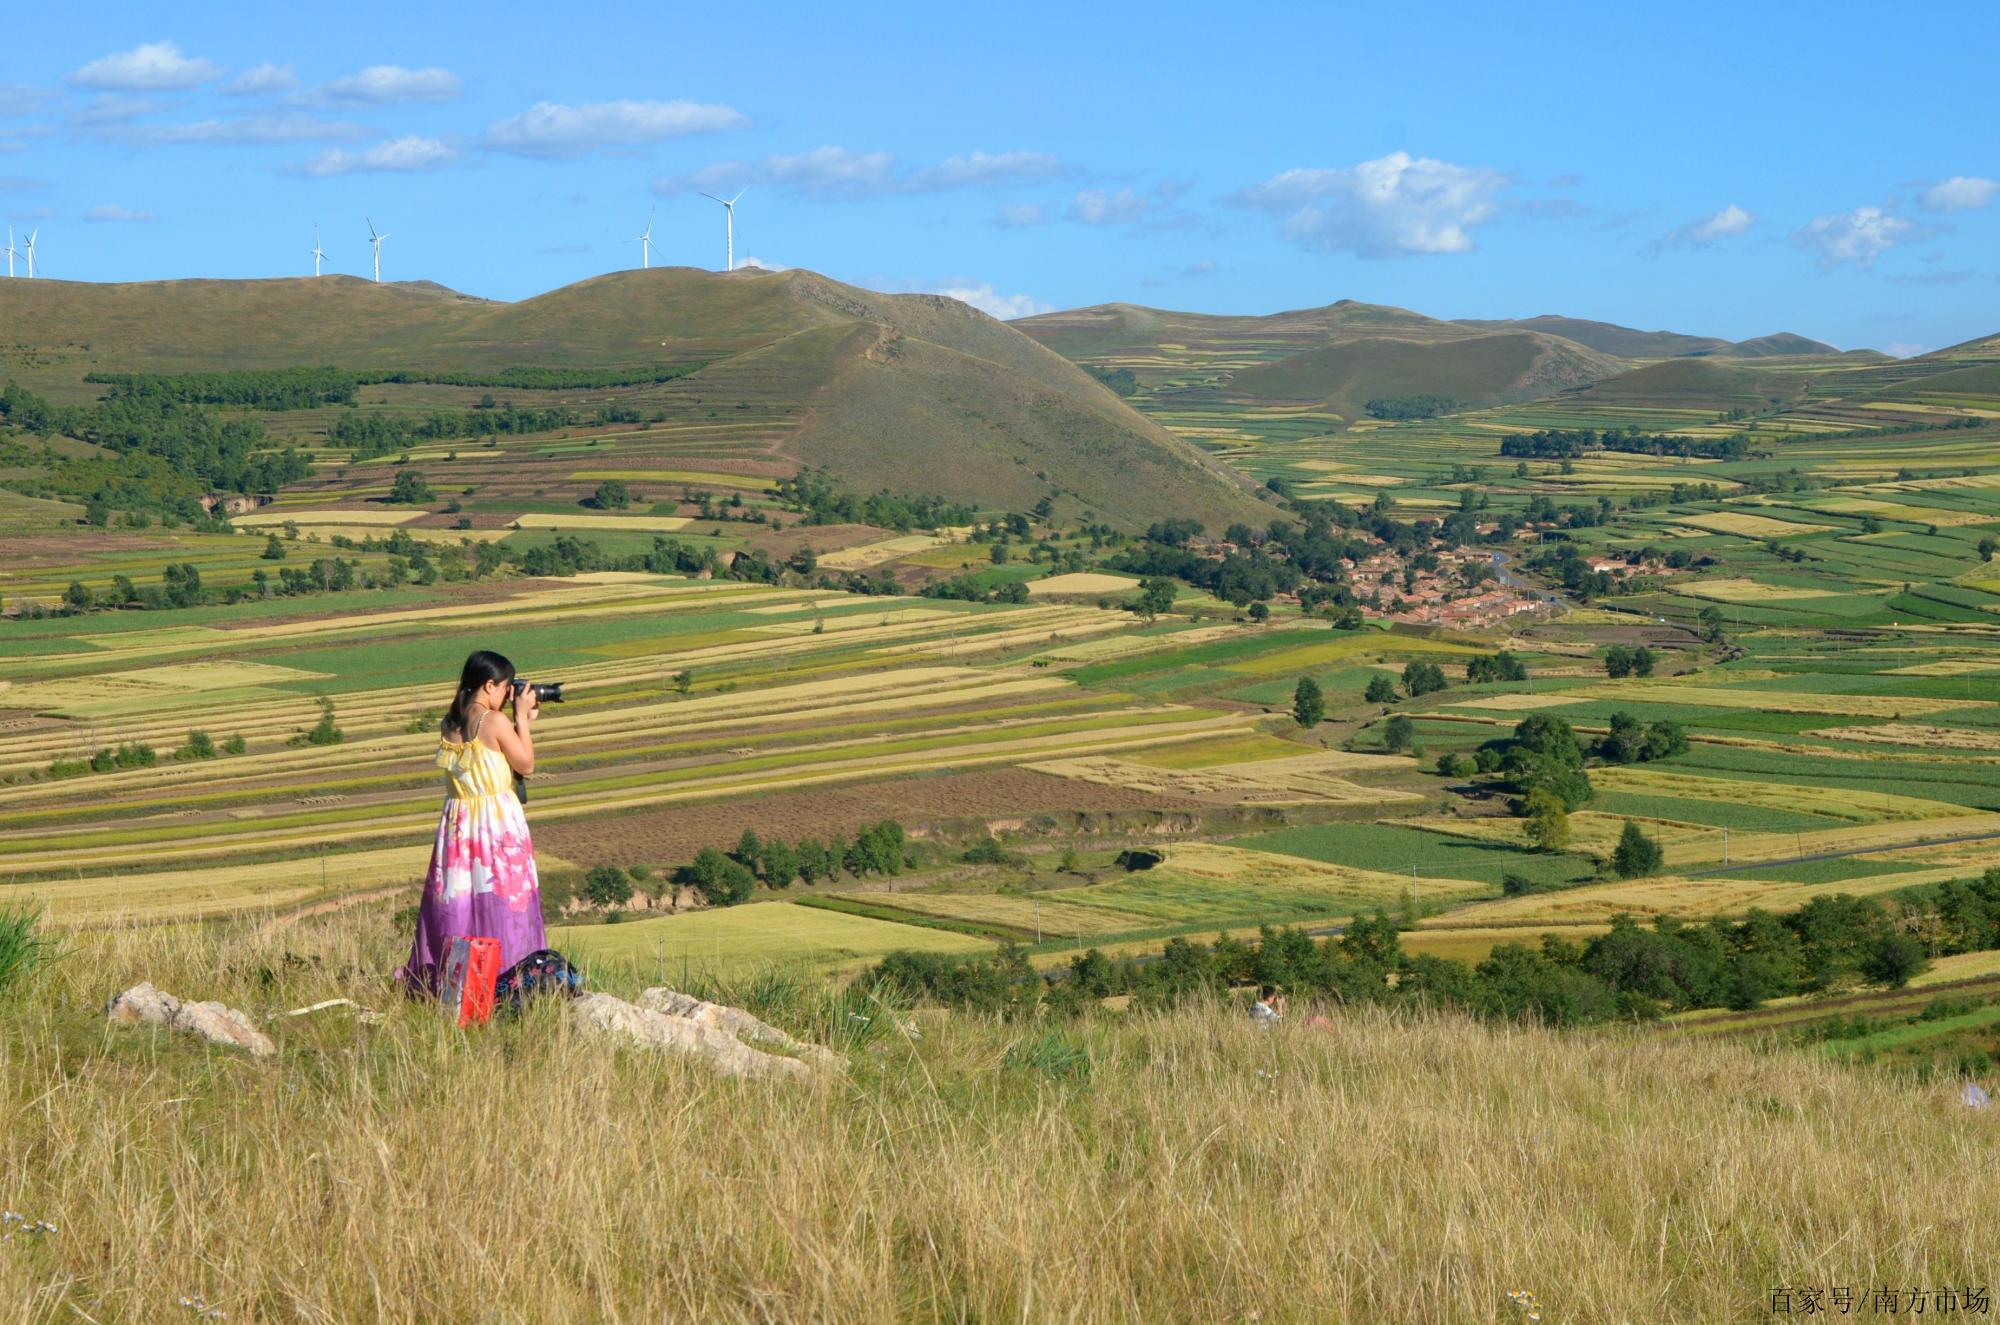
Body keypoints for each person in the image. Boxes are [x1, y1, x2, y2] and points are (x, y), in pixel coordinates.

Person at [401, 650, 545, 994]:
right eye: (506, 688)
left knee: (460, 908)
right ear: (490, 684)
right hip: (495, 826)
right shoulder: (493, 722)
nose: (508, 695)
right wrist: (522, 721)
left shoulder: (449, 724)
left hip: (458, 826)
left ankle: (452, 986)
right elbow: (525, 765)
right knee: (505, 905)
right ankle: (511, 983)